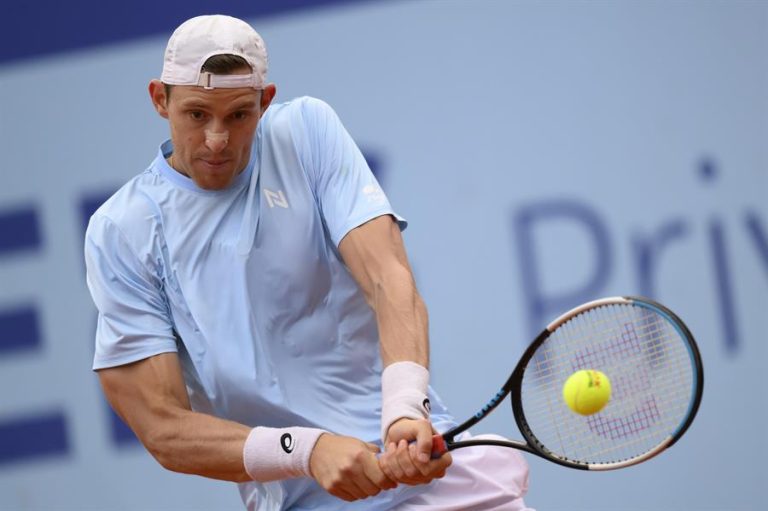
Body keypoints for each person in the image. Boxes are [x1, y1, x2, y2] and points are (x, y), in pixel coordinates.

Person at [85, 14, 533, 510]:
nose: (217, 140)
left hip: (438, 485)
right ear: (159, 99)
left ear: (265, 101)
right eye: (196, 115)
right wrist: (305, 450)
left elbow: (388, 278)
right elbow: (162, 427)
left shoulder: (305, 132)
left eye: (238, 115)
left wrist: (405, 408)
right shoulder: (122, 231)